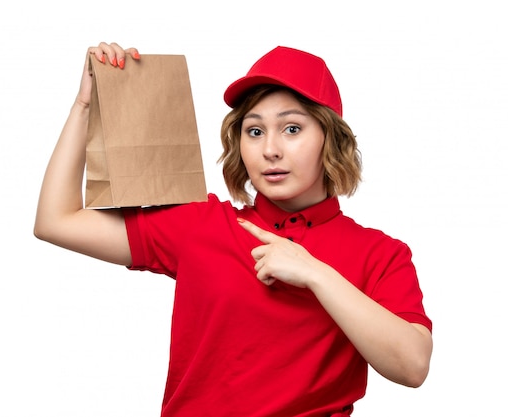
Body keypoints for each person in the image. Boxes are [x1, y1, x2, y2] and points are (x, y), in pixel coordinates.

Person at [34, 41, 433, 417]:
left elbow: (412, 366)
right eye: (254, 131)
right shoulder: (200, 223)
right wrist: (87, 105)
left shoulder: (380, 253)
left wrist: (314, 272)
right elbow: (57, 221)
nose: (270, 149)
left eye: (292, 129)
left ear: (331, 139)